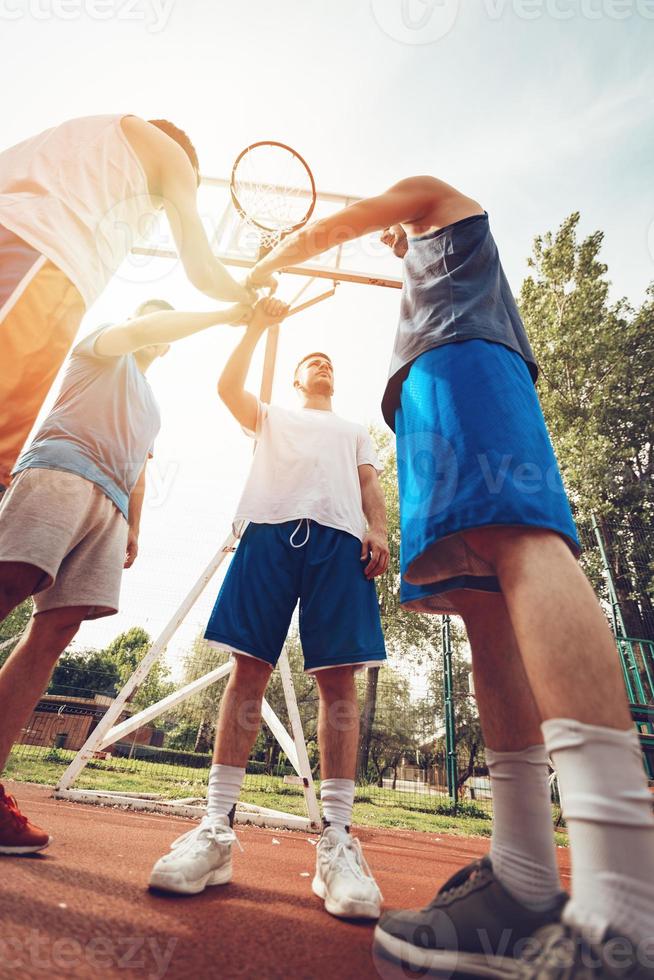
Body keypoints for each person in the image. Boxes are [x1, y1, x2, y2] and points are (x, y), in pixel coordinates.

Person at [246, 178, 654, 978]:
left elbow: (350, 220)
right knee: (480, 603)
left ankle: (627, 900)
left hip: (464, 362)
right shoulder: (430, 264)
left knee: (523, 541)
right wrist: (402, 255)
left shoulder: (433, 198)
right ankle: (526, 877)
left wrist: (277, 255)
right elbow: (396, 242)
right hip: (425, 390)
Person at [0, 295, 278, 854]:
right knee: (7, 589)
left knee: (55, 632)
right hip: (60, 473)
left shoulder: (151, 406)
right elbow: (144, 322)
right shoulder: (105, 342)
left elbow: (140, 470)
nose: (152, 326)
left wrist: (133, 527)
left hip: (111, 505)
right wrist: (231, 313)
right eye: (148, 317)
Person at [149, 308, 389, 921]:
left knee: (339, 680)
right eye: (313, 361)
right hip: (269, 532)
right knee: (247, 669)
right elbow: (226, 388)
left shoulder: (354, 428)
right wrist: (256, 324)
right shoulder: (273, 416)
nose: (323, 365)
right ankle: (216, 830)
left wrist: (380, 529)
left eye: (330, 361)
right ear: (295, 379)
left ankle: (336, 839)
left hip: (339, 541)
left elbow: (368, 485)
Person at [0, 114, 255, 491]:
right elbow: (201, 268)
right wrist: (243, 293)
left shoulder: (72, 138)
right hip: (43, 261)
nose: (158, 211)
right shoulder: (171, 156)